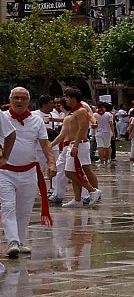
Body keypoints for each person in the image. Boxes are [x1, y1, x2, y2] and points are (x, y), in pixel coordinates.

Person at [2, 88, 55, 259]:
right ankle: (12, 241)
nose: (19, 101)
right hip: (5, 172)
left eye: (23, 98)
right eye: (16, 98)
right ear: (10, 100)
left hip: (29, 171)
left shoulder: (36, 120)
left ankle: (20, 240)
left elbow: (45, 144)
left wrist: (51, 162)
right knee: (8, 206)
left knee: (24, 209)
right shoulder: (2, 117)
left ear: (29, 101)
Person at [57, 88, 100, 206]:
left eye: (67, 97)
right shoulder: (73, 111)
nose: (65, 100)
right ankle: (77, 199)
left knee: (69, 172)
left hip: (79, 144)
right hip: (74, 144)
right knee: (73, 171)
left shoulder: (81, 110)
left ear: (72, 98)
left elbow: (83, 128)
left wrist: (75, 145)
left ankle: (93, 191)